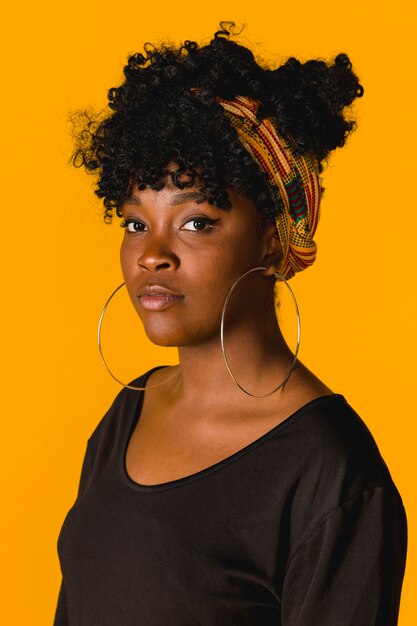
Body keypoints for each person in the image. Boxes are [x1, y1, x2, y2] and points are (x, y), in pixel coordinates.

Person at [54, 23, 407, 625]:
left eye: (196, 222)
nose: (151, 255)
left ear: (273, 242)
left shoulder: (331, 473)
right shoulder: (126, 417)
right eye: (136, 223)